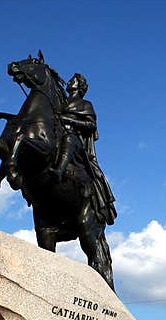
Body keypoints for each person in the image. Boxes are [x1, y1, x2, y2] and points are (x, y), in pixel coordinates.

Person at [48, 73, 116, 226]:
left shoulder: (86, 104)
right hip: (57, 138)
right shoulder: (60, 101)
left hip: (75, 142)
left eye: (73, 80)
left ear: (79, 86)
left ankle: (59, 170)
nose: (69, 81)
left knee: (69, 139)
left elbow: (91, 125)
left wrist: (68, 119)